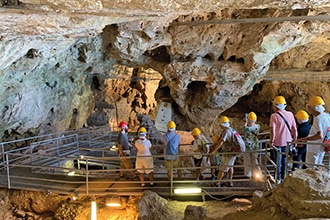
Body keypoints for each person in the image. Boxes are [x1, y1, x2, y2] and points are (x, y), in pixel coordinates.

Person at [269, 96, 297, 183]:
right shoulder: (290, 114)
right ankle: (284, 176)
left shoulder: (274, 116)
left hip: (278, 142)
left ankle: (278, 178)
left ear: (276, 106)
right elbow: (294, 129)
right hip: (288, 142)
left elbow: (272, 130)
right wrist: (295, 140)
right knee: (285, 159)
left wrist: (271, 141)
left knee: (278, 161)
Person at [297, 96, 330, 169]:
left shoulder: (318, 118)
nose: (309, 109)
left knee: (311, 167)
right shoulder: (327, 116)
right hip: (321, 146)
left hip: (314, 147)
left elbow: (319, 135)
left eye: (309, 107)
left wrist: (305, 139)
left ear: (313, 108)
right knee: (318, 165)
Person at [211, 116, 238, 187]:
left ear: (222, 124)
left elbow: (221, 142)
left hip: (228, 153)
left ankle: (217, 183)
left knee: (222, 169)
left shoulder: (226, 131)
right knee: (230, 167)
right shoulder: (232, 130)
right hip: (234, 151)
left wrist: (214, 150)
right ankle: (230, 182)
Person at [242, 112, 262, 179]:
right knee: (254, 160)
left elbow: (243, 128)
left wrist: (246, 122)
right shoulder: (258, 127)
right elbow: (256, 126)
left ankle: (248, 174)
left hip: (247, 146)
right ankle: (257, 173)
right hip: (255, 146)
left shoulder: (246, 129)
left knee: (247, 160)